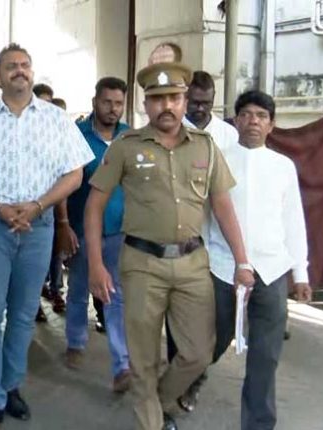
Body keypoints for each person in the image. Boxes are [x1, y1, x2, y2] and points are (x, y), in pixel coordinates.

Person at [84, 62, 254, 430]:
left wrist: (242, 261)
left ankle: (156, 402)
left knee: (198, 353)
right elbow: (94, 205)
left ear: (184, 101)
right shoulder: (127, 146)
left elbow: (223, 206)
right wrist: (96, 264)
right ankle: (151, 421)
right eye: (158, 98)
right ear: (146, 103)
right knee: (143, 358)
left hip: (192, 264)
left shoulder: (206, 147)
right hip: (141, 263)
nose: (167, 106)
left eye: (175, 98)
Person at [0, 43, 94, 430]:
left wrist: (39, 205)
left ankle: (11, 386)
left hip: (38, 227)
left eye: (25, 65)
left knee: (24, 315)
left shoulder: (56, 120)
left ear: (32, 72)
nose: (19, 70)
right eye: (10, 66)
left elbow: (74, 174)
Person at [195, 90, 312, 430]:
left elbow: (293, 220)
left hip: (271, 270)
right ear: (236, 121)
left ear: (271, 125)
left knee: (265, 354)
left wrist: (300, 273)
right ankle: (184, 384)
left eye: (261, 116)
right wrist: (204, 255)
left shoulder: (283, 167)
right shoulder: (219, 160)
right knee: (210, 343)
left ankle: (259, 423)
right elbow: (204, 215)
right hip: (222, 267)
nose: (253, 122)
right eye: (246, 115)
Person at [166, 69, 241, 410]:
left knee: (223, 325)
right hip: (181, 241)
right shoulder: (171, 130)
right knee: (178, 320)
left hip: (219, 244)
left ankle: (196, 372)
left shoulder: (228, 135)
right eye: (194, 102)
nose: (199, 109)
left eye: (206, 103)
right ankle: (177, 381)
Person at [60, 77, 132, 393]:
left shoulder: (130, 138)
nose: (113, 109)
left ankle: (122, 365)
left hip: (119, 231)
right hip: (81, 230)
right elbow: (63, 181)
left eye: (118, 103)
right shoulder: (76, 135)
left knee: (115, 296)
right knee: (78, 289)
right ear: (94, 102)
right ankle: (75, 341)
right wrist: (63, 225)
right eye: (107, 102)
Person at [32, 82, 63, 321]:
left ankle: (54, 291)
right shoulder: (19, 132)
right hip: (24, 212)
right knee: (31, 263)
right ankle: (33, 303)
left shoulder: (57, 134)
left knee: (51, 256)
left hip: (49, 209)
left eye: (49, 104)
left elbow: (66, 176)